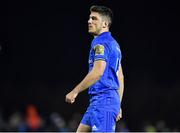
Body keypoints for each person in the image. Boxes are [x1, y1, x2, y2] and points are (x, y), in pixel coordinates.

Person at [65, 5, 124, 132]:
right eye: (89, 18)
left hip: (104, 102)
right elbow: (120, 76)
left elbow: (98, 72)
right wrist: (118, 104)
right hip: (98, 102)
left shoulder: (100, 43)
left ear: (105, 24)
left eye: (94, 18)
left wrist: (75, 91)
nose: (89, 21)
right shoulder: (114, 44)